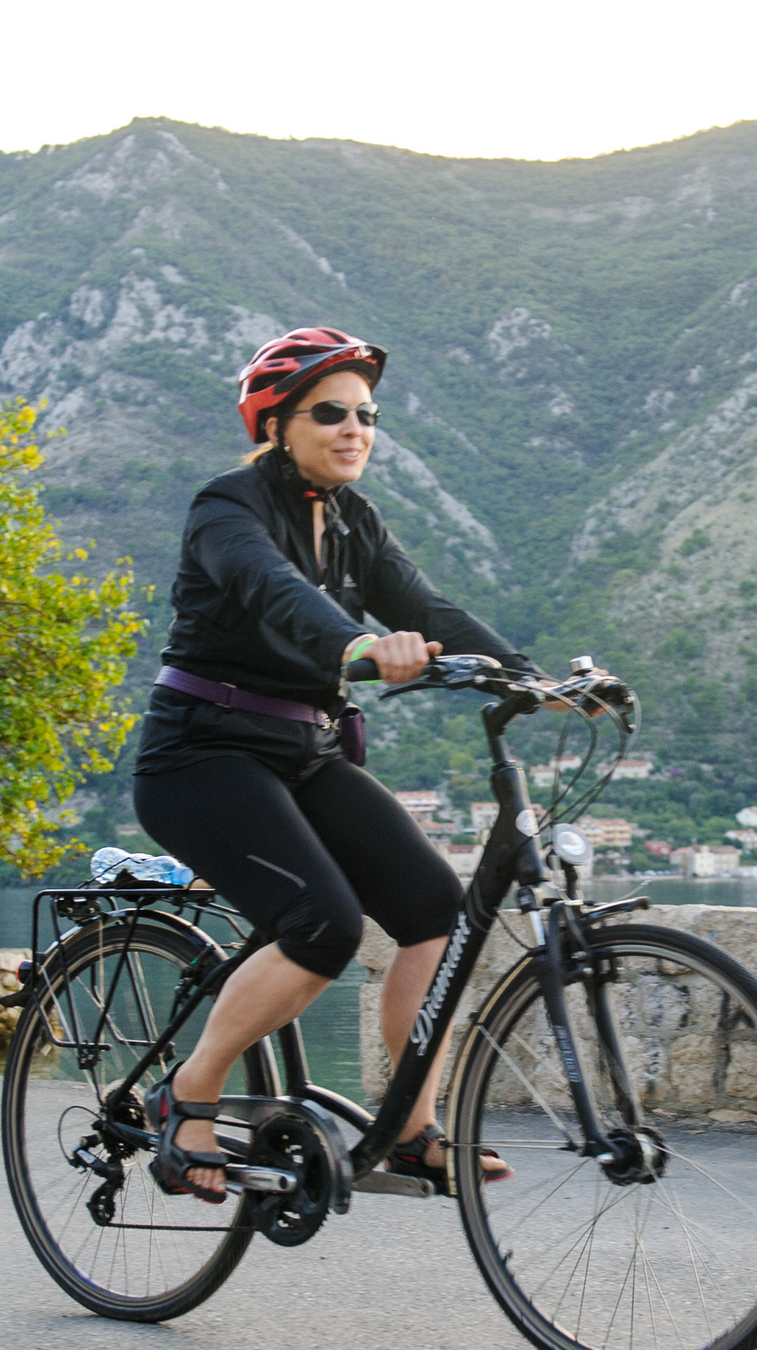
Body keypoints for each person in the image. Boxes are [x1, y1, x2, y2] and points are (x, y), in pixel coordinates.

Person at [130, 326, 525, 1200]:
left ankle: (414, 1124)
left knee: (435, 912)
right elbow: (276, 591)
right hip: (202, 755)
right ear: (276, 424)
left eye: (367, 416)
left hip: (303, 752)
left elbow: (427, 606)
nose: (355, 429)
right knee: (324, 927)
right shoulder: (226, 508)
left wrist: (540, 679)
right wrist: (359, 644)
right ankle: (189, 1094)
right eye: (331, 413)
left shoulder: (353, 521)